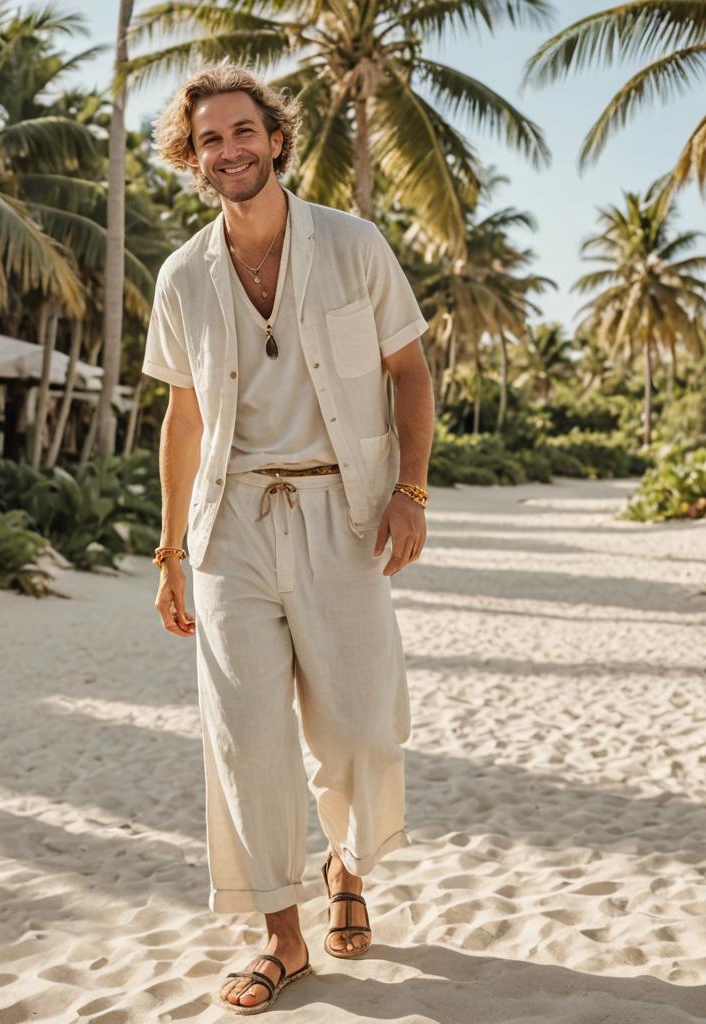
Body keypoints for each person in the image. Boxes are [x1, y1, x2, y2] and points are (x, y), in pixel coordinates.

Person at [143, 64, 434, 1014]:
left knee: (358, 723)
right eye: (209, 140)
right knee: (245, 739)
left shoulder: (353, 246)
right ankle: (282, 935)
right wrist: (170, 549)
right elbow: (182, 419)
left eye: (242, 131)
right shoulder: (182, 275)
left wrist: (411, 491)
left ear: (276, 137)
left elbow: (411, 374)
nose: (228, 150)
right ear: (194, 158)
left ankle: (348, 862)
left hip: (343, 516)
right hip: (228, 528)